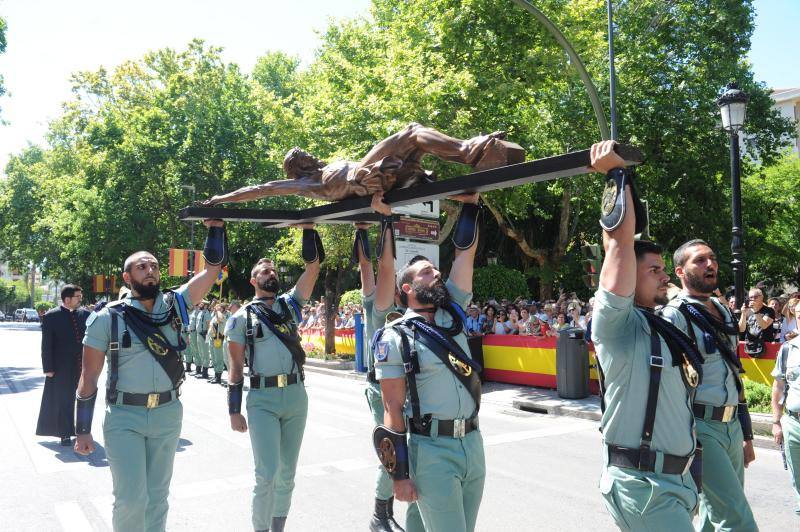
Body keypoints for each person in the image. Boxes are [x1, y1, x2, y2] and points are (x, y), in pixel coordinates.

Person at [74, 219, 227, 532]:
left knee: (157, 498)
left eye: (154, 266)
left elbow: (211, 271)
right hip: (124, 417)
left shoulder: (176, 306)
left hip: (167, 414)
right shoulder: (108, 318)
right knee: (131, 499)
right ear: (128, 277)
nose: (150, 270)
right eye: (141, 267)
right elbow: (88, 377)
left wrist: (216, 229)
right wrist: (82, 429)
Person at [589, 141, 702, 530]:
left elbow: (635, 234)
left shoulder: (661, 324)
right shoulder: (616, 324)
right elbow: (619, 243)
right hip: (645, 485)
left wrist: (629, 179)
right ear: (628, 276)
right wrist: (615, 175)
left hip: (676, 482)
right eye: (654, 270)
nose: (665, 275)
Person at [373, 193, 484, 532]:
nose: (436, 272)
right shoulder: (396, 336)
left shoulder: (453, 314)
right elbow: (392, 408)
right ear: (407, 288)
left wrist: (471, 205)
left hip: (473, 444)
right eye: (425, 272)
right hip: (432, 450)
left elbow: (466, 254)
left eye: (435, 268)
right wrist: (400, 474)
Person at [225, 225, 322, 532]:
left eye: (272, 268)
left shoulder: (290, 304)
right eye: (263, 270)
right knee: (266, 473)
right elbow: (236, 367)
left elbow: (313, 268)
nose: (270, 272)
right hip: (262, 400)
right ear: (254, 281)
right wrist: (233, 409)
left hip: (295, 395)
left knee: (287, 474)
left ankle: (278, 526)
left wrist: (309, 229)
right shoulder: (241, 318)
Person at [660, 239, 757, 530]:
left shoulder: (722, 309)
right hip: (701, 427)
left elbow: (733, 374)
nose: (710, 264)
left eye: (712, 258)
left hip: (730, 426)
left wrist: (746, 431)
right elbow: (668, 383)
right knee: (736, 518)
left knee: (711, 518)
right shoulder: (674, 315)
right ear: (680, 271)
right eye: (699, 260)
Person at [200, 124, 520, 205]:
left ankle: (473, 154)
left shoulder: (323, 168)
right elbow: (261, 190)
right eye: (301, 156)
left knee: (417, 136)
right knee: (410, 132)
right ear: (297, 167)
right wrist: (222, 199)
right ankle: (472, 151)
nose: (309, 155)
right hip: (365, 177)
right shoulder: (306, 184)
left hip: (376, 173)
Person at [355, 193, 420, 532]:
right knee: (394, 446)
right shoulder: (380, 306)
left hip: (403, 385)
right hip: (383, 386)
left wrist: (361, 232)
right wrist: (386, 221)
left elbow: (367, 266)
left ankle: (398, 512)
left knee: (410, 448)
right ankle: (380, 514)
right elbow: (379, 266)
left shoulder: (402, 310)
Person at [36, 284, 90, 447]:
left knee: (85, 400)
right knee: (64, 401)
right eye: (78, 297)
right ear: (67, 299)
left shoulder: (86, 314)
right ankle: (65, 433)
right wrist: (48, 368)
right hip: (61, 367)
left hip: (83, 366)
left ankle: (83, 432)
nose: (81, 299)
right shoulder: (51, 316)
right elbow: (47, 344)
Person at [772, 332, 800, 516]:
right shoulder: (788, 348)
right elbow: (779, 386)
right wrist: (776, 422)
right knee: (797, 477)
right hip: (793, 422)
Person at [739, 287, 776, 357]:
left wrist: (756, 311)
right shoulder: (747, 310)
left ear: (762, 297)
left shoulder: (769, 310)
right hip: (749, 347)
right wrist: (743, 314)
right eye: (751, 297)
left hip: (766, 347)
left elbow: (764, 325)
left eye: (755, 297)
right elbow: (741, 329)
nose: (753, 299)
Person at [207, 302, 228, 385]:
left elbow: (220, 318)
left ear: (222, 309)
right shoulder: (214, 316)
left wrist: (219, 311)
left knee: (218, 358)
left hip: (218, 339)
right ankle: (215, 375)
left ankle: (218, 377)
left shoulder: (222, 316)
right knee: (214, 358)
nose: (215, 309)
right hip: (212, 339)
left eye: (218, 308)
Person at [194, 300, 211, 378]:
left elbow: (208, 325)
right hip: (198, 334)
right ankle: (201, 371)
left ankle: (205, 373)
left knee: (205, 353)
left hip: (204, 335)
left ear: (205, 306)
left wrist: (207, 336)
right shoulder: (200, 312)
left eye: (202, 304)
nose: (200, 304)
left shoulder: (206, 313)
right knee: (200, 352)